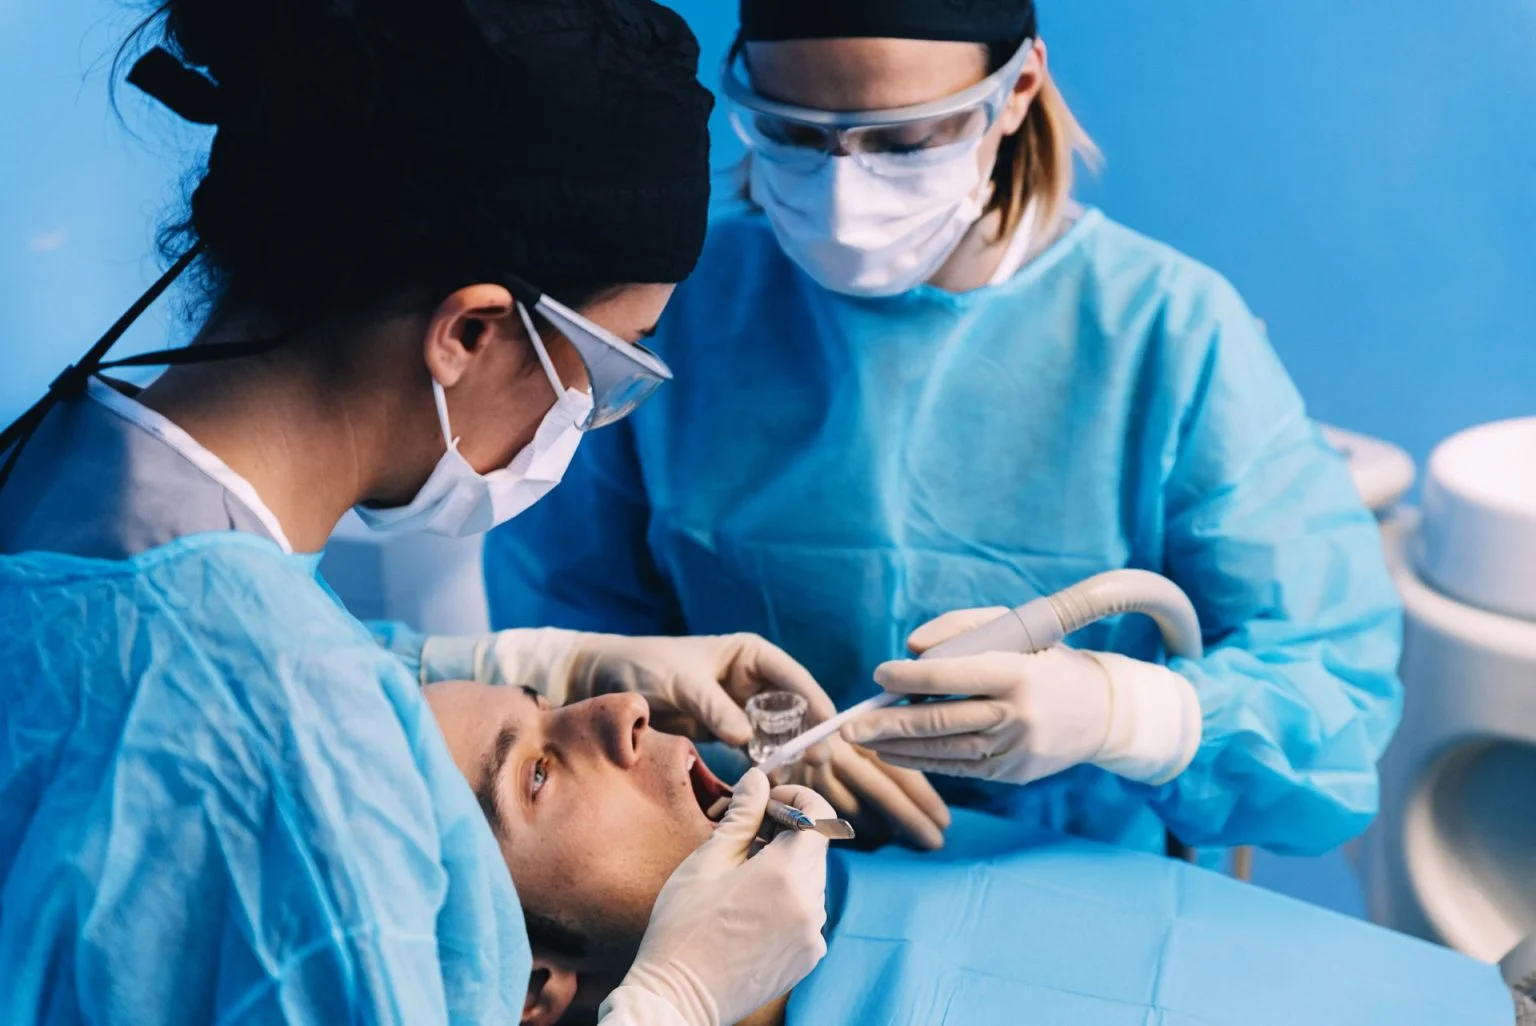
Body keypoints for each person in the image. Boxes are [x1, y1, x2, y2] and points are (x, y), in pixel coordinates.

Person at [0, 1, 832, 1022]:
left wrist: (538, 669)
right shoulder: (302, 748)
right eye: (604, 372)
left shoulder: (67, 463)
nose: (588, 420)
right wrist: (672, 1001)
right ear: (471, 332)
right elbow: (258, 718)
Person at [472, 0, 1405, 857]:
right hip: (742, 861)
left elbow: (1334, 690)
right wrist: (737, 740)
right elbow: (570, 632)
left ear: (1018, 91)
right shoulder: (676, 305)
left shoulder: (1166, 331)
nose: (842, 195)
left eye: (905, 140)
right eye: (793, 135)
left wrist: (1122, 714)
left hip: (1075, 880)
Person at [424, 681, 1528, 1026]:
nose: (620, 709)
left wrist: (1130, 712)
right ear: (532, 982)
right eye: (536, 774)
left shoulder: (904, 849)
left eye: (552, 699)